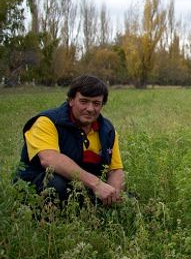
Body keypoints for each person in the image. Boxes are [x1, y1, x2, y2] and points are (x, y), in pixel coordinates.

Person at [15, 75, 125, 205]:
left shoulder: (107, 130)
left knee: (128, 197)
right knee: (55, 185)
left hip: (82, 186)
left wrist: (113, 194)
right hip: (36, 185)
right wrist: (96, 184)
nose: (90, 109)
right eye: (83, 101)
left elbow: (115, 170)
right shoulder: (47, 122)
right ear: (71, 100)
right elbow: (49, 159)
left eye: (96, 103)